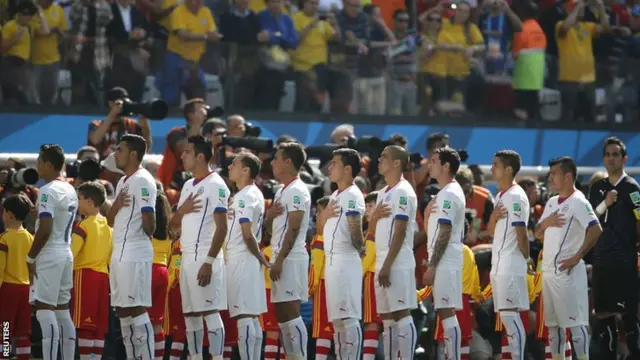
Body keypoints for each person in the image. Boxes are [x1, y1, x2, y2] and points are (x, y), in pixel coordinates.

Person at [534, 156, 602, 360]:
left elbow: (596, 229)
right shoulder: (552, 201)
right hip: (548, 273)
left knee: (576, 324)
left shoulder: (579, 201)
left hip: (568, 274)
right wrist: (546, 222)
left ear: (568, 176)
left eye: (554, 174)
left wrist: (576, 257)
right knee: (553, 328)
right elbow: (537, 232)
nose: (550, 178)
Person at [168, 135, 229, 360]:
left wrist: (209, 262)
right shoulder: (186, 185)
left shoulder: (216, 185)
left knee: (210, 312)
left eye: (187, 152)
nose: (182, 156)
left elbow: (222, 228)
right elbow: (173, 227)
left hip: (205, 256)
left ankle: (218, 357)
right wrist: (181, 210)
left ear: (200, 156)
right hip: (186, 256)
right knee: (190, 315)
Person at [588, 137, 640, 359]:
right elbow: (590, 217)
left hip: (624, 262)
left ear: (624, 158)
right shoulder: (598, 188)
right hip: (601, 261)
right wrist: (605, 203)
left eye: (616, 154)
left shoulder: (632, 188)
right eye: (608, 154)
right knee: (603, 319)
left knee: (629, 318)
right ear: (603, 158)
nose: (611, 158)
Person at [107, 134, 158, 360]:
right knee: (122, 310)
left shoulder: (143, 180)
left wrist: (142, 234)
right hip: (119, 251)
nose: (115, 154)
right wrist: (116, 204)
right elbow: (109, 219)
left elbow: (150, 220)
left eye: (120, 149)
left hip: (135, 252)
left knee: (136, 308)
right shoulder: (122, 181)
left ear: (133, 154)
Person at [26, 144, 78, 360]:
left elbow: (46, 228)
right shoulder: (69, 188)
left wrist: (30, 256)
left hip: (49, 253)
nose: (36, 165)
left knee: (44, 309)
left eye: (39, 161)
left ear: (48, 164)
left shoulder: (46, 190)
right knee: (62, 311)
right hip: (66, 251)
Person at [368, 145, 418, 360]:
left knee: (401, 313)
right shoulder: (382, 193)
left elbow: (401, 230)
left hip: (397, 261)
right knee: (387, 318)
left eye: (384, 157)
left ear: (397, 163)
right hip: (381, 259)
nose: (379, 160)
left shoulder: (404, 191)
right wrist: (374, 216)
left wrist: (388, 264)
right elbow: (370, 232)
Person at [264, 142, 312, 360]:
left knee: (291, 313)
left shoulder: (297, 190)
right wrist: (269, 218)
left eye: (276, 158)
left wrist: (281, 260)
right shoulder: (281, 190)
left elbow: (294, 226)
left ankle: (299, 357)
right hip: (279, 256)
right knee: (282, 315)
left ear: (288, 162)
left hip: (290, 258)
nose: (272, 162)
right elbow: (272, 228)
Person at [317, 148, 365, 359]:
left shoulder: (353, 194)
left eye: (334, 163)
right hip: (332, 260)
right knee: (337, 320)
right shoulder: (335, 195)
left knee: (349, 317)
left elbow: (355, 228)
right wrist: (325, 214)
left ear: (347, 169)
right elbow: (320, 229)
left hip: (346, 259)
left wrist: (359, 249)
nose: (330, 167)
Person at [422, 147, 466, 360]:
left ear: (446, 166)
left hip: (445, 261)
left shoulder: (449, 193)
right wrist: (426, 213)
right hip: (444, 260)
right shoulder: (444, 193)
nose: (429, 164)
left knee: (447, 314)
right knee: (444, 313)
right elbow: (434, 231)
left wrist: (432, 265)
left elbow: (445, 231)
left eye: (434, 160)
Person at [226, 152, 269, 360]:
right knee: (251, 316)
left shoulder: (245, 195)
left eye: (234, 164)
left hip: (242, 257)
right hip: (247, 258)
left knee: (244, 315)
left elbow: (246, 232)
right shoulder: (252, 193)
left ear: (246, 170)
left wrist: (260, 257)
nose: (229, 167)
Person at [488, 149, 530, 360]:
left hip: (511, 265)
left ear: (508, 169)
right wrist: (494, 217)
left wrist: (527, 258)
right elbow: (490, 231)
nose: (492, 168)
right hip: (499, 264)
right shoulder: (500, 195)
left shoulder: (516, 196)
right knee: (506, 318)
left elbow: (521, 233)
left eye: (496, 164)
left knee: (511, 317)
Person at [70, 182, 112, 360]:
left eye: (79, 199)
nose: (77, 203)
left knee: (85, 326)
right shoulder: (110, 228)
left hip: (84, 276)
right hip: (104, 278)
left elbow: (70, 253)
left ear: (89, 201)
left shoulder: (83, 225)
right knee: (98, 328)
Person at [0, 194, 34, 360]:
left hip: (8, 288)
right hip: (26, 289)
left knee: (5, 327)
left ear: (9, 214)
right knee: (23, 330)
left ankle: (4, 356)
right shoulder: (31, 237)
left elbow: (0, 269)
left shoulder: (4, 239)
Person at [309, 196, 335, 360]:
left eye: (319, 212)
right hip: (338, 282)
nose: (317, 216)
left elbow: (316, 266)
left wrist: (310, 287)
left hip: (324, 285)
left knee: (323, 330)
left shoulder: (321, 238)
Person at [149, 183, 173, 360]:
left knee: (138, 318)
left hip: (146, 270)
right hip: (163, 272)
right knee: (157, 322)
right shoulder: (169, 233)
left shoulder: (145, 231)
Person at [361, 191, 381, 360]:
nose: (366, 210)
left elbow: (367, 258)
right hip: (378, 277)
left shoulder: (374, 231)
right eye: (365, 206)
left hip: (372, 277)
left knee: (371, 324)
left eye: (370, 206)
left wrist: (356, 274)